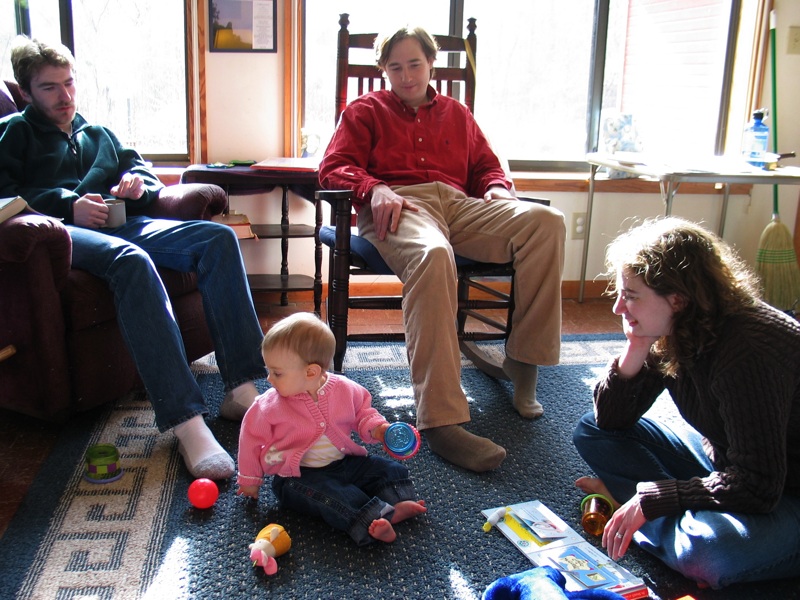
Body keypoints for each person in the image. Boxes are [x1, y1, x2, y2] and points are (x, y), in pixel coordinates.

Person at [0, 36, 266, 480]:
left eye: (69, 84)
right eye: (49, 88)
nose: (65, 96)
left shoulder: (97, 132)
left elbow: (139, 169)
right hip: (66, 234)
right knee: (131, 260)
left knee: (217, 239)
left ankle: (239, 387)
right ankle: (187, 423)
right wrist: (68, 205)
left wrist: (137, 184)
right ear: (26, 92)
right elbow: (5, 194)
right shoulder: (13, 135)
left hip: (124, 221)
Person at [318, 25, 565, 473]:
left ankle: (524, 361)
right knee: (433, 255)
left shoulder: (458, 114)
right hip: (399, 208)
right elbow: (332, 168)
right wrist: (373, 188)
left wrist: (496, 189)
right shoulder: (365, 111)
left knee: (546, 223)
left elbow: (487, 167)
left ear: (431, 63)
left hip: (459, 205)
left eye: (415, 63)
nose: (407, 74)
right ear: (383, 70)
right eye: (395, 66)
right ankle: (441, 421)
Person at [573, 217, 800, 589]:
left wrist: (654, 498)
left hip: (784, 490)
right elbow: (611, 420)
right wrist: (637, 345)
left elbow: (759, 484)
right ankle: (657, 515)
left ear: (677, 298)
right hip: (730, 463)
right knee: (591, 431)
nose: (617, 308)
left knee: (708, 553)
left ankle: (632, 507)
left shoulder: (749, 351)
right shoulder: (674, 327)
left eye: (630, 296)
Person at [236, 312, 427, 545]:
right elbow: (250, 439)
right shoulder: (268, 405)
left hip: (344, 462)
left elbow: (363, 413)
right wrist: (249, 479)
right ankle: (371, 519)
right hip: (297, 476)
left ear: (311, 372)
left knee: (388, 469)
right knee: (333, 494)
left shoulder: (345, 389)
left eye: (277, 373)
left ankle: (396, 503)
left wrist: (379, 429)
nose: (269, 379)